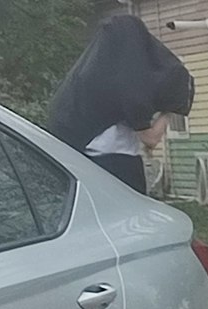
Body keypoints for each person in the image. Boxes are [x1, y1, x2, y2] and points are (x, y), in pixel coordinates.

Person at [49, 15, 193, 194]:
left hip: (80, 162)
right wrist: (169, 110)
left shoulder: (85, 78)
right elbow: (151, 139)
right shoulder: (130, 86)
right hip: (120, 165)